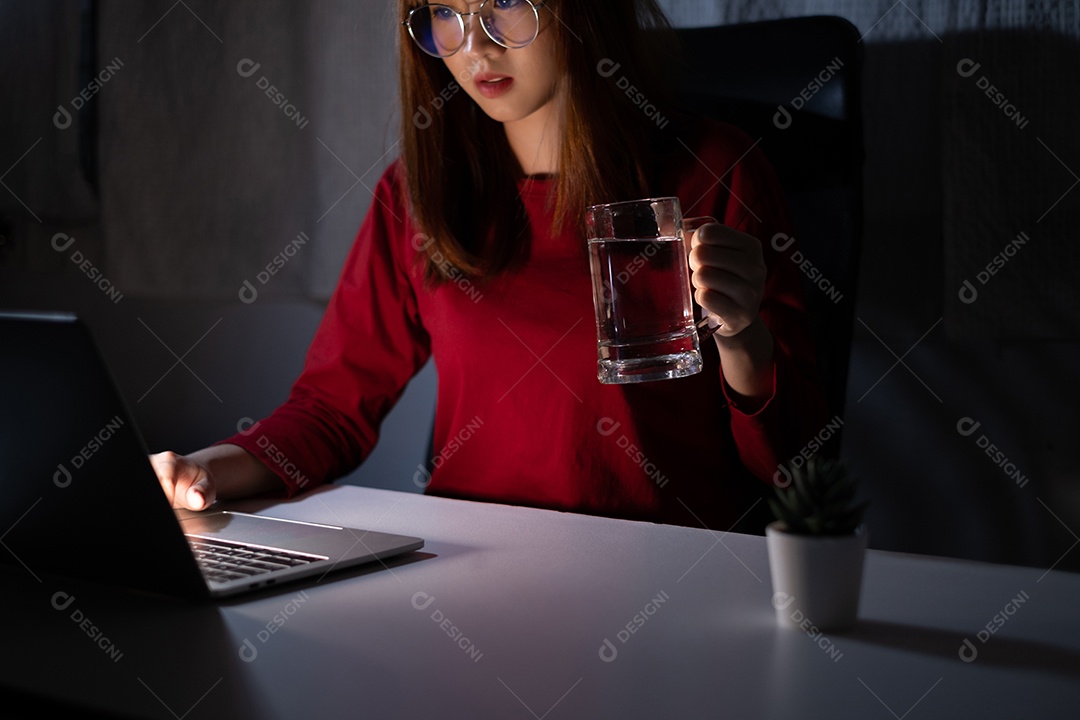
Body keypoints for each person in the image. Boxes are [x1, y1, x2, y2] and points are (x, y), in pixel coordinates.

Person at [153, 0, 827, 532]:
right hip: (469, 579)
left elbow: (797, 466)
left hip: (662, 581)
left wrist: (741, 337)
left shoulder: (715, 172)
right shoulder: (421, 193)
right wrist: (203, 470)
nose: (474, 45)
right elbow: (332, 410)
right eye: (443, 12)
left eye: (504, 1)